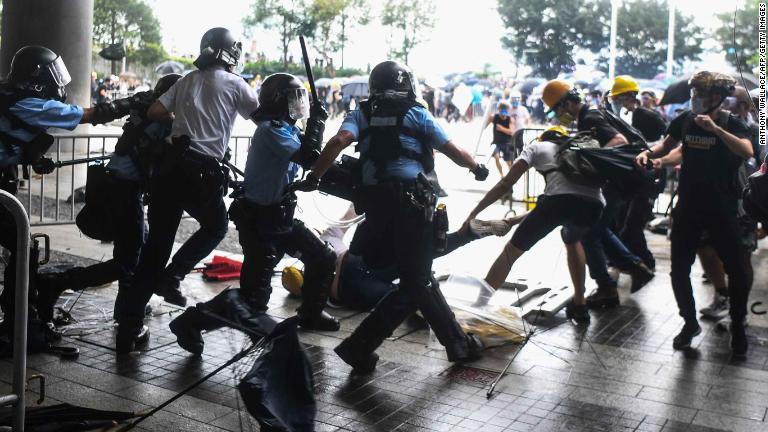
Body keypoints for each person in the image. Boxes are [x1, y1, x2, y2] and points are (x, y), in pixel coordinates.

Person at [294, 60, 490, 373]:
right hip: (413, 208)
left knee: (419, 276)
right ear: (406, 84)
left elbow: (338, 141)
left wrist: (316, 176)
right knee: (415, 282)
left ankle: (458, 344)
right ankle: (359, 346)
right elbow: (453, 149)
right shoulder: (416, 113)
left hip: (377, 211)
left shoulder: (362, 112)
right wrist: (477, 168)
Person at [113, 27, 259, 353]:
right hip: (201, 172)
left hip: (169, 170)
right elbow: (261, 118)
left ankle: (129, 327)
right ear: (230, 53)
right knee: (216, 225)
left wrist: (185, 115)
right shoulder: (236, 84)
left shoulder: (187, 80)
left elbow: (154, 111)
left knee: (154, 250)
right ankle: (174, 275)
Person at [0, 45, 146, 341]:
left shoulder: (9, 92)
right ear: (38, 77)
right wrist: (128, 104)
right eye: (54, 75)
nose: (59, 82)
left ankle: (19, 317)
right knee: (22, 245)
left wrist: (26, 155)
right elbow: (84, 114)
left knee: (21, 244)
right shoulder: (27, 102)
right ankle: (18, 326)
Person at [34, 74, 182, 325]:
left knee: (130, 252)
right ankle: (60, 283)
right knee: (128, 261)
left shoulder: (144, 105)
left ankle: (124, 307)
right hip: (125, 190)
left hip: (115, 185)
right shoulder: (162, 120)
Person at [636, 71, 753, 358]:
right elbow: (673, 146)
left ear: (716, 98)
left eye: (699, 94)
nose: (694, 99)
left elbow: (747, 150)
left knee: (737, 269)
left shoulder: (730, 122)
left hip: (723, 208)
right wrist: (651, 155)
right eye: (693, 94)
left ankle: (738, 326)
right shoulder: (686, 119)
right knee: (679, 269)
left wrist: (716, 130)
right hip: (688, 206)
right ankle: (689, 322)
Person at [463, 126, 605, 324]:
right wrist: (513, 220)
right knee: (573, 240)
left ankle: (479, 306)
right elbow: (558, 199)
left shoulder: (537, 147)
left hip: (557, 203)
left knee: (510, 252)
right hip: (594, 208)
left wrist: (474, 213)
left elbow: (507, 185)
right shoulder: (576, 151)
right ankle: (580, 306)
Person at [541, 79, 654, 309]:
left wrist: (589, 157)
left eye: (558, 109)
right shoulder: (591, 115)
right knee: (598, 229)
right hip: (624, 181)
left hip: (619, 182)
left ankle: (607, 288)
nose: (558, 115)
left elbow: (618, 141)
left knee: (589, 232)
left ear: (568, 103)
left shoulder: (590, 117)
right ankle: (634, 268)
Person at [609, 75, 668, 271]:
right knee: (621, 222)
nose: (615, 103)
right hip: (629, 179)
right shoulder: (619, 119)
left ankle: (645, 263)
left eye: (618, 99)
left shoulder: (648, 117)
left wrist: (645, 148)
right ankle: (629, 260)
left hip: (649, 179)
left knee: (632, 227)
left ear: (629, 97)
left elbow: (668, 142)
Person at [486, 100, 514, 176]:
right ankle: (502, 175)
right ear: (499, 109)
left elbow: (511, 132)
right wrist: (487, 115)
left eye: (505, 109)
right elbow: (485, 125)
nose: (503, 112)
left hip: (507, 143)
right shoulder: (494, 117)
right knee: (497, 157)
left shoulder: (509, 119)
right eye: (502, 109)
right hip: (496, 143)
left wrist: (502, 129)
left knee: (508, 162)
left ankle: (511, 177)